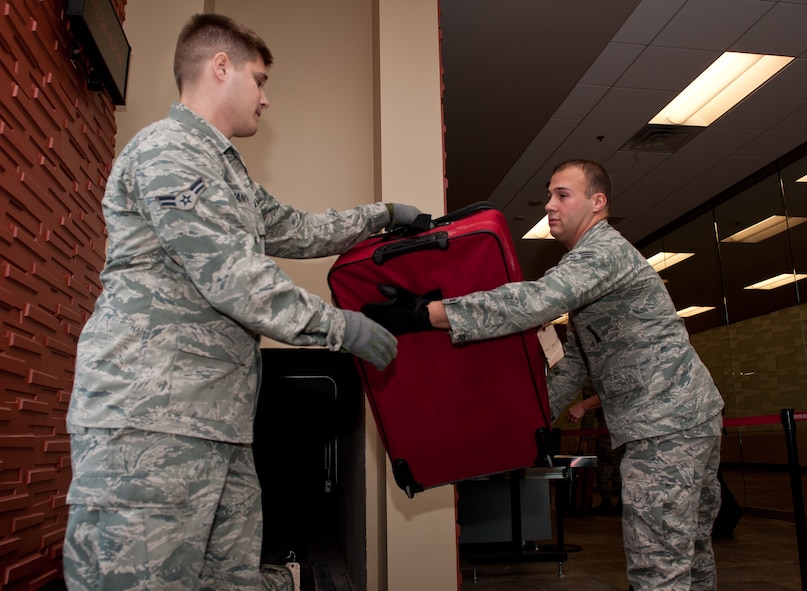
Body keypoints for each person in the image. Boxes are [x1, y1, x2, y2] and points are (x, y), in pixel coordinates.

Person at [63, 13, 420, 591]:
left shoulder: (224, 168)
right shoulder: (169, 150)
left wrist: (381, 216)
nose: (266, 99)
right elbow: (234, 278)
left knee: (229, 581)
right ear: (220, 67)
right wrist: (343, 329)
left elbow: (297, 229)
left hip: (216, 423)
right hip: (151, 422)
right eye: (260, 79)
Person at [363, 159, 725, 591]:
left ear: (597, 202)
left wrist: (428, 314)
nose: (550, 206)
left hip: (665, 427)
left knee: (658, 569)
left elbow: (534, 301)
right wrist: (525, 427)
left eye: (562, 195)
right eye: (549, 196)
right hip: (687, 419)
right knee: (691, 557)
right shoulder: (593, 267)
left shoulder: (602, 252)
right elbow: (575, 362)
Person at [566, 380, 625, 515]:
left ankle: (606, 502)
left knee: (604, 468)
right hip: (624, 432)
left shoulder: (593, 385)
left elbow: (588, 414)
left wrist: (584, 438)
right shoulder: (616, 380)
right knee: (619, 469)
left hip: (606, 433)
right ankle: (621, 503)